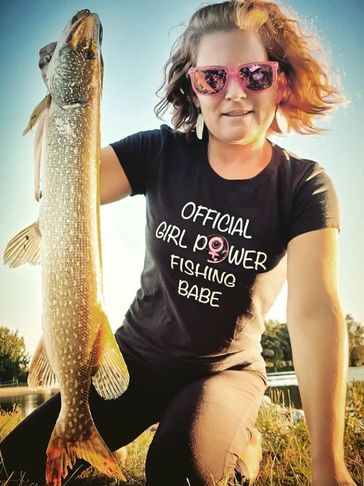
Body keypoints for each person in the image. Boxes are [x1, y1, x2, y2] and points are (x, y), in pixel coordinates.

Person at [0, 1, 357, 485]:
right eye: (213, 78)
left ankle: (241, 445)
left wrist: (326, 463)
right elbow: (58, 192)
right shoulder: (158, 151)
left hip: (222, 373)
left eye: (254, 74)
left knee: (179, 469)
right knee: (15, 462)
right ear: (194, 85)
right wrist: (59, 102)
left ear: (281, 81)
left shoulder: (303, 186)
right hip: (132, 359)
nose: (233, 93)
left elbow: (315, 313)